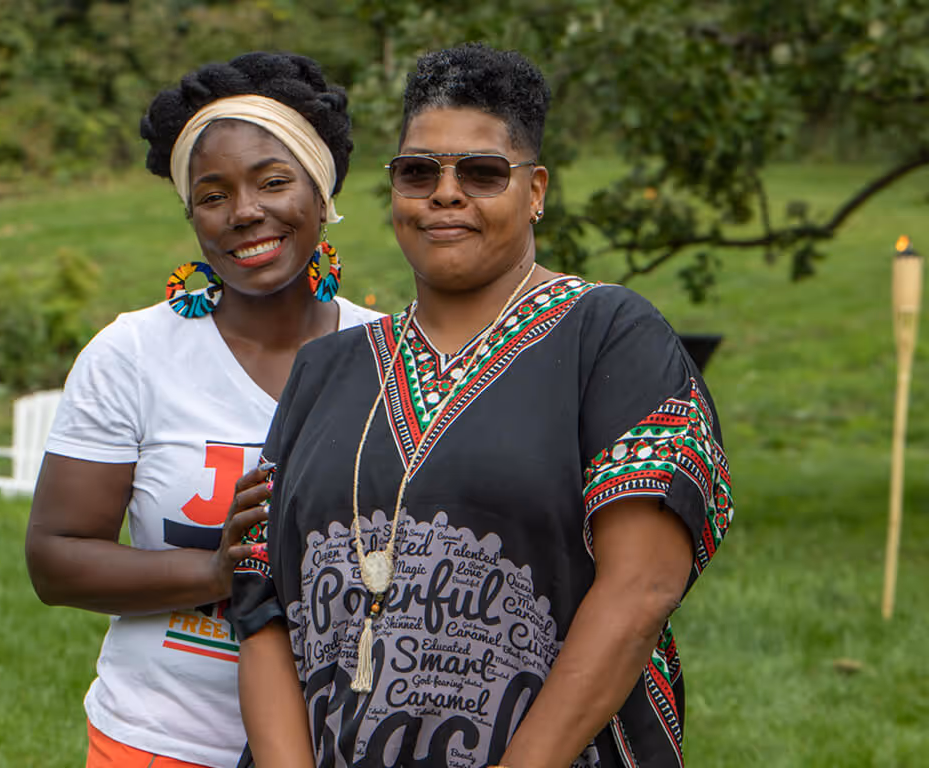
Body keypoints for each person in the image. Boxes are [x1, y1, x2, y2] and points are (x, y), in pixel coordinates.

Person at [230, 42, 734, 768]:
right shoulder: (327, 369)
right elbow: (263, 605)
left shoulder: (610, 337)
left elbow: (642, 588)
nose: (445, 193)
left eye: (482, 172)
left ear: (535, 190)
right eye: (417, 172)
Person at [25, 52, 381, 768]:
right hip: (161, 740)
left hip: (348, 739)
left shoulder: (385, 357)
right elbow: (56, 559)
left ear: (323, 191)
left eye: (273, 182)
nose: (245, 211)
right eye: (212, 194)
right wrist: (212, 574)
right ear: (191, 214)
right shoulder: (133, 353)